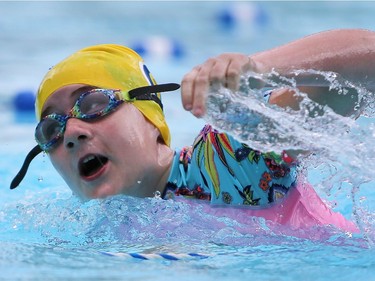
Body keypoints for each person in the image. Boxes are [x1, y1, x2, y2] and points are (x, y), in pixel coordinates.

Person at [11, 29, 375, 233]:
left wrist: (264, 69)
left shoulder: (226, 161)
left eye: (92, 105)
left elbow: (369, 59)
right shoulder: (100, 233)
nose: (71, 132)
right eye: (50, 129)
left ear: (150, 118)